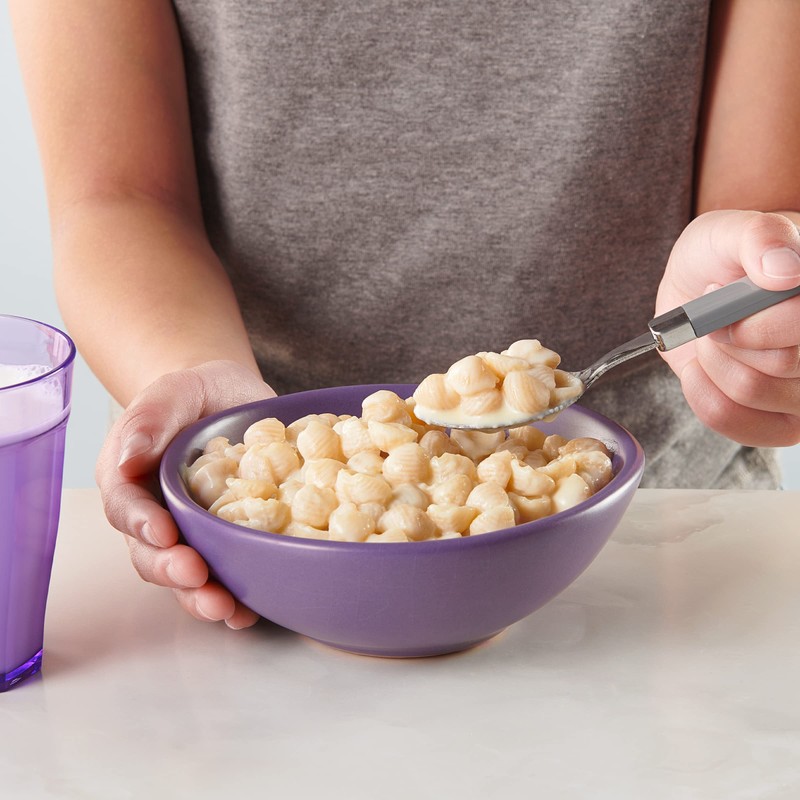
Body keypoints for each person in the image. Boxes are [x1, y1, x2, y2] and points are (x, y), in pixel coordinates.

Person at [10, 1, 800, 629]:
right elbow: (118, 197)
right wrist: (193, 379)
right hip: (252, 554)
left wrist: (754, 317)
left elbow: (759, 212)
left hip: (669, 543)